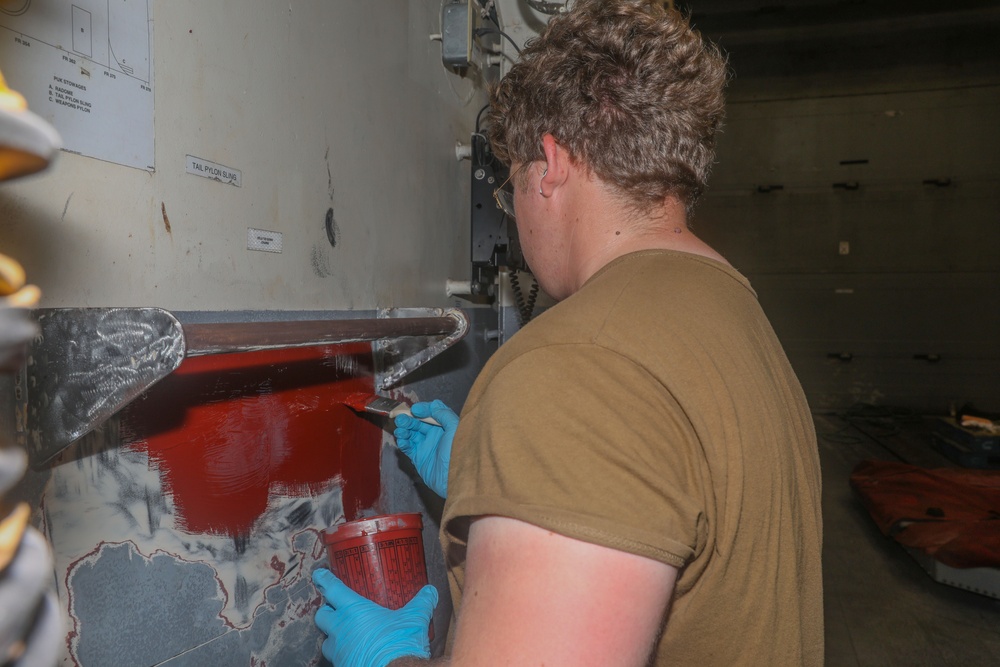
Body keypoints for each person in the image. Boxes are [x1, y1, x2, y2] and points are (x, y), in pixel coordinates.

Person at [312, 1, 824, 665]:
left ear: (549, 165)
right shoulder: (734, 311)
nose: (516, 216)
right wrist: (512, 473)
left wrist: (389, 660)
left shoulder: (573, 366)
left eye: (512, 186)